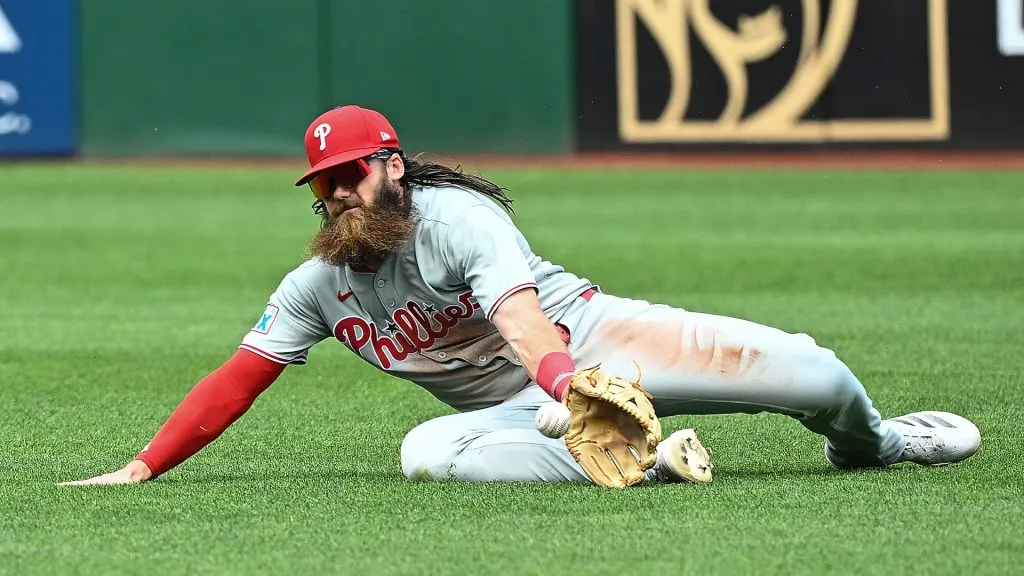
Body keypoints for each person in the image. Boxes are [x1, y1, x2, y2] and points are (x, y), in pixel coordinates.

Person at [60, 105, 981, 487]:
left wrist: (566, 381)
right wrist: (145, 465)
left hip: (598, 340)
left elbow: (520, 318)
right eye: (322, 183)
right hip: (519, 411)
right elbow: (239, 378)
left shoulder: (457, 219)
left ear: (390, 165)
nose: (336, 192)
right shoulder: (316, 287)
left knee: (815, 376)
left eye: (350, 173)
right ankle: (644, 458)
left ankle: (880, 443)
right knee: (427, 451)